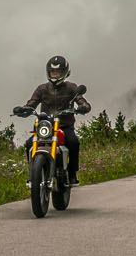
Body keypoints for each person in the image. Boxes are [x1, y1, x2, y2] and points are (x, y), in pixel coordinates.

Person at [13, 55, 90, 186]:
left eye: (58, 72)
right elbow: (32, 103)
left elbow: (81, 100)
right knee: (29, 143)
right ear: (48, 72)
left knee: (73, 142)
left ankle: (72, 174)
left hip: (64, 126)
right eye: (52, 72)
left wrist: (83, 107)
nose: (55, 75)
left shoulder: (71, 88)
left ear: (65, 72)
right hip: (46, 126)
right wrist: (24, 109)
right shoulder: (42, 89)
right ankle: (33, 175)